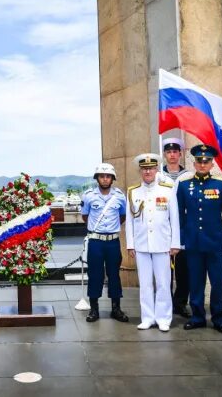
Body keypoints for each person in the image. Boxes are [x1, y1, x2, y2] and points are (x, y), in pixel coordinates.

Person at [176, 145, 222, 334]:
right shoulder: (184, 186)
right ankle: (197, 316)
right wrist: (181, 239)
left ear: (211, 163)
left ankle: (218, 318)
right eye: (199, 161)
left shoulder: (221, 185)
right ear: (194, 163)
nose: (202, 164)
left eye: (206, 161)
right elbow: (179, 215)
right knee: (195, 282)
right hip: (193, 242)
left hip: (215, 242)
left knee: (217, 283)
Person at [126, 154, 181, 332]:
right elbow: (130, 221)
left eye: (151, 168)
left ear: (157, 169)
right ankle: (148, 317)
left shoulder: (167, 189)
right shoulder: (133, 191)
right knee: (145, 283)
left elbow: (175, 219)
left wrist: (175, 243)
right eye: (144, 168)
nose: (147, 171)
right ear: (140, 171)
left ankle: (164, 318)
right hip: (142, 245)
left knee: (164, 282)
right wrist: (130, 244)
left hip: (162, 244)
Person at [80, 163, 130, 323]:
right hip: (96, 241)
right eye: (102, 176)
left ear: (112, 178)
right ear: (97, 178)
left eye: (108, 176)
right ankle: (94, 309)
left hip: (112, 242)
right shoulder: (88, 195)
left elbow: (122, 216)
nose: (105, 179)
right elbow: (85, 217)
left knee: (114, 275)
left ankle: (116, 308)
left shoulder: (120, 197)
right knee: (95, 275)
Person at [161, 137, 191, 318]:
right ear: (165, 154)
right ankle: (165, 303)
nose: (172, 155)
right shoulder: (158, 176)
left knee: (183, 269)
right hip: (164, 226)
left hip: (183, 227)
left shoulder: (188, 175)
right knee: (164, 269)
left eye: (175, 152)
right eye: (168, 152)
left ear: (180, 154)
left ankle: (180, 303)